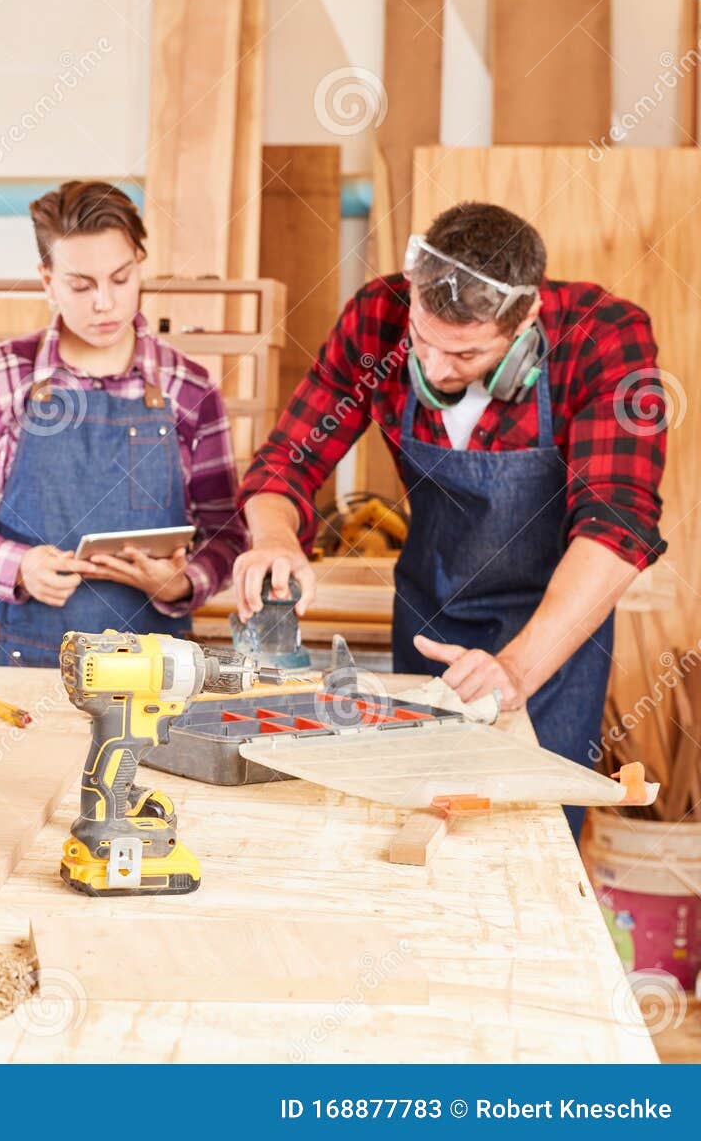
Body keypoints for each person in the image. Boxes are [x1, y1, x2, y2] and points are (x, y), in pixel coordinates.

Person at [235, 202, 666, 828]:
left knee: (532, 834)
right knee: (426, 818)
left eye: (464, 355)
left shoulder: (603, 335)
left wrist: (516, 669)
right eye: (424, 341)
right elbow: (287, 461)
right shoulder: (378, 316)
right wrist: (274, 538)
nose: (434, 370)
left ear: (527, 321)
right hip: (432, 620)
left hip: (552, 638)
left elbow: (617, 522)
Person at [0, 181, 245, 666]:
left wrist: (185, 580)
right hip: (9, 662)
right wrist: (17, 564)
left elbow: (228, 532)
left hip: (146, 671)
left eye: (121, 279)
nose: (104, 303)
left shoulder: (190, 389)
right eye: (80, 286)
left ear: (140, 263)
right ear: (47, 281)